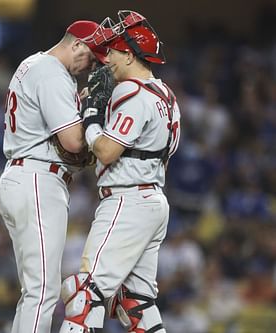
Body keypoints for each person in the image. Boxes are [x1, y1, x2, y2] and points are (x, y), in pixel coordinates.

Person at [59, 11, 181, 333]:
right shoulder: (167, 96)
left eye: (112, 51)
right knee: (137, 303)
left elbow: (107, 151)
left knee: (83, 294)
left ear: (129, 53)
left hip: (127, 201)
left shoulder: (133, 92)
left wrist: (93, 115)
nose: (107, 58)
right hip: (153, 199)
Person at [0, 20, 109, 333]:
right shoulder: (52, 71)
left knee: (33, 291)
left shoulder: (33, 64)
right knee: (43, 291)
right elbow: (73, 142)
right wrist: (91, 116)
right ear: (77, 44)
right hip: (37, 178)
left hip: (25, 176)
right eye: (91, 57)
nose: (91, 65)